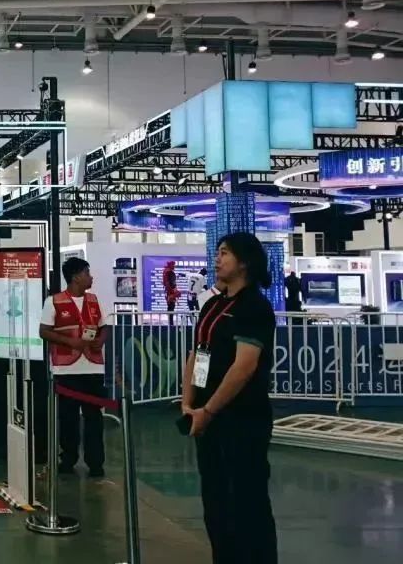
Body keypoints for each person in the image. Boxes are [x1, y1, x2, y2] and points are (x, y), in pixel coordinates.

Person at [181, 232, 277, 564]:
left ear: (245, 262)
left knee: (247, 503)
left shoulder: (254, 307)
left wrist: (208, 409)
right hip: (207, 419)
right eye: (218, 252)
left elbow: (244, 366)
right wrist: (189, 403)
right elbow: (198, 353)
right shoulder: (214, 305)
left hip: (243, 419)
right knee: (216, 502)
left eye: (225, 253)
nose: (217, 258)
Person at [39, 257, 107, 477]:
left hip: (93, 368)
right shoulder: (53, 301)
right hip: (66, 370)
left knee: (94, 419)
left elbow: (104, 326)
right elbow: (44, 331)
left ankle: (96, 462)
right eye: (87, 273)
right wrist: (70, 342)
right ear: (76, 277)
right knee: (68, 418)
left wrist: (100, 340)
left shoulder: (95, 300)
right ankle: (68, 459)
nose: (91, 277)